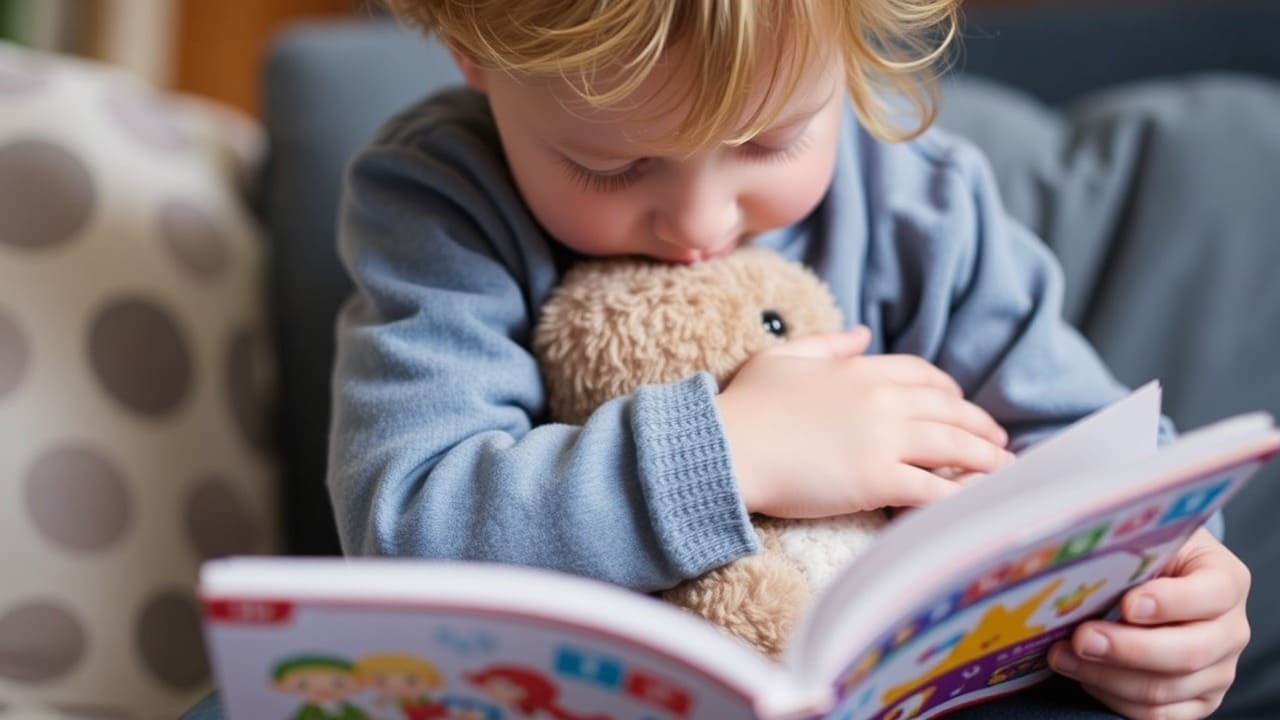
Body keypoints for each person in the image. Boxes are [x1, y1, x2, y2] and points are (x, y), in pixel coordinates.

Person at [319, 2, 1251, 719]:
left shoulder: (923, 206)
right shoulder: (439, 202)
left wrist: (1175, 584)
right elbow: (404, 525)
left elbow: (1096, 451)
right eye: (610, 167)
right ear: (473, 52)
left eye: (771, 142)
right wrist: (727, 454)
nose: (701, 222)